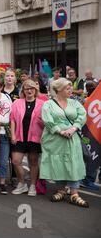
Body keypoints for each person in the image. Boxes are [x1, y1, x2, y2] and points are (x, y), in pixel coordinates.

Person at [40, 78, 88, 208]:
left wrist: (74, 128)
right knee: (58, 163)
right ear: (59, 90)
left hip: (72, 137)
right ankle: (61, 189)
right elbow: (47, 119)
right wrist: (59, 131)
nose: (71, 90)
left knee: (74, 162)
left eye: (71, 87)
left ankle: (74, 193)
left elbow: (82, 115)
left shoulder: (75, 103)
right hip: (55, 138)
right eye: (68, 88)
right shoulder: (48, 104)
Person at [10, 79, 45, 196]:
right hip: (19, 137)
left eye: (32, 88)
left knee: (33, 162)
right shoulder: (17, 103)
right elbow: (13, 119)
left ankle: (33, 186)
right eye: (27, 88)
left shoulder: (42, 104)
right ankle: (22, 183)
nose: (29, 91)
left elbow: (46, 121)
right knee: (15, 161)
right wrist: (13, 134)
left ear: (35, 90)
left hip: (35, 137)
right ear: (23, 91)